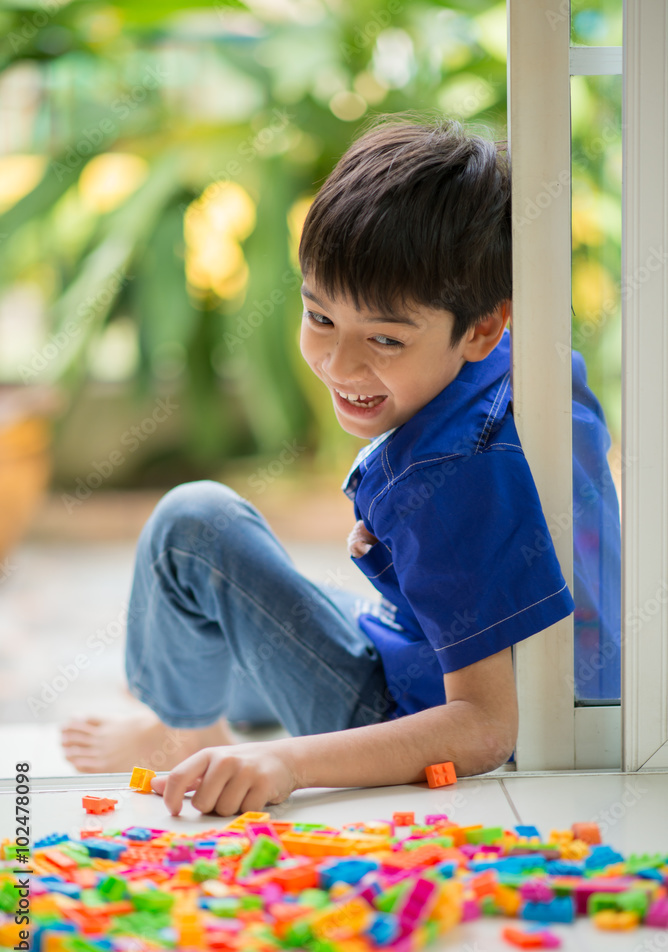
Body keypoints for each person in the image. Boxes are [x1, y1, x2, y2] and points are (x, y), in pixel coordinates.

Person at [61, 116, 620, 816]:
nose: (339, 363)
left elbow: (484, 729)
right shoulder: (531, 363)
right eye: (320, 318)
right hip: (464, 662)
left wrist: (286, 762)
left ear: (482, 327)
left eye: (384, 339)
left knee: (195, 528)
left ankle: (190, 737)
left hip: (409, 718)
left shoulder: (453, 474)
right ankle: (193, 694)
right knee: (261, 611)